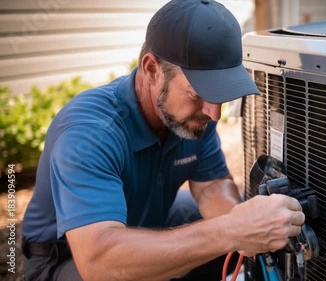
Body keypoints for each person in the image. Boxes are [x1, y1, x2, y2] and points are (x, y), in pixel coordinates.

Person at [21, 0, 305, 280]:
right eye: (198, 94)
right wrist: (229, 231)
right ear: (151, 69)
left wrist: (245, 223)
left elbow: (212, 188)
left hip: (139, 223)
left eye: (220, 94)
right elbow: (99, 262)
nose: (214, 114)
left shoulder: (191, 118)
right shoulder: (89, 132)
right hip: (65, 259)